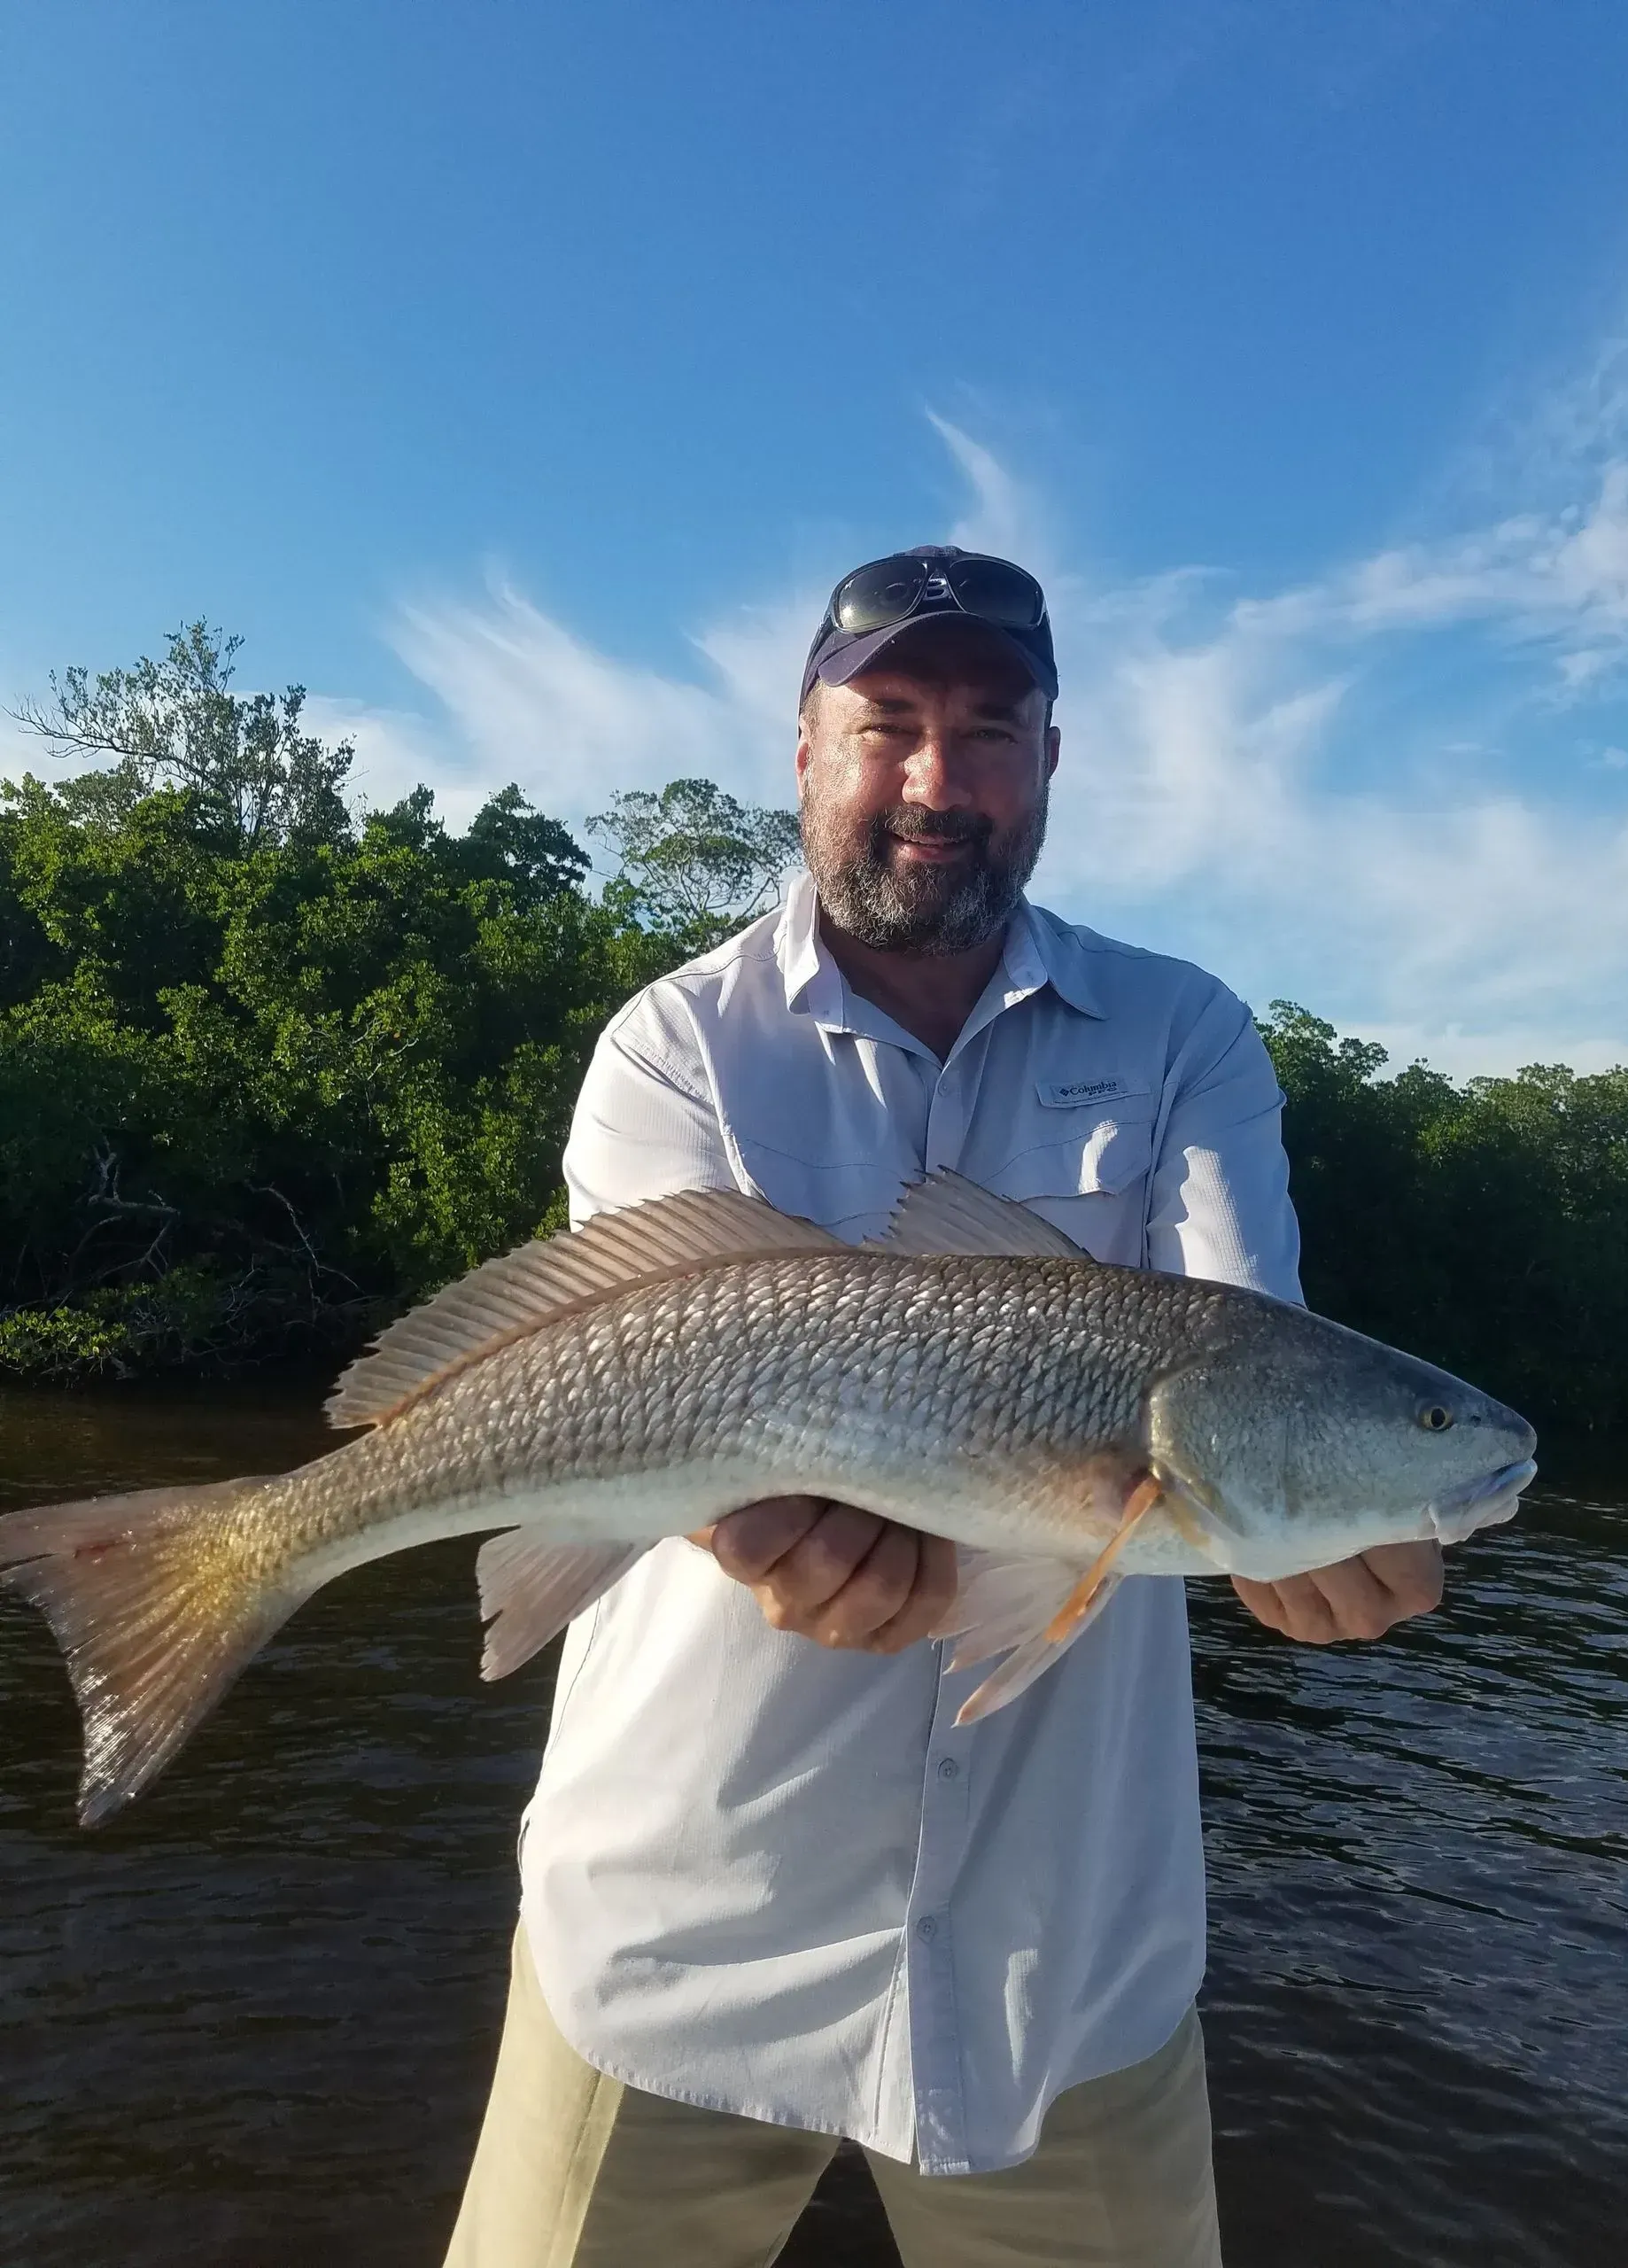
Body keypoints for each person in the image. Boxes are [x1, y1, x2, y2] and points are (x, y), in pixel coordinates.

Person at [445, 546, 1443, 2267]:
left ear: (1052, 759)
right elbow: (648, 1377)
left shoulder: (1184, 1034)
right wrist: (747, 1526)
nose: (937, 778)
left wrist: (1351, 1523)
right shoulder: (676, 1047)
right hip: (684, 1927)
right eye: (891, 720)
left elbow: (1249, 1356)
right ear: (808, 745)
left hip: (1064, 1970)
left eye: (990, 728)